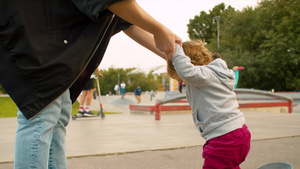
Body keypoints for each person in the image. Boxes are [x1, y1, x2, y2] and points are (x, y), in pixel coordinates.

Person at [0, 1, 182, 168]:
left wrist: (172, 56)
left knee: (58, 116)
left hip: (50, 40)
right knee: (41, 116)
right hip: (35, 33)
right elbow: (116, 3)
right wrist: (158, 29)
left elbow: (127, 19)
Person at [167, 41, 251, 169]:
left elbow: (186, 72)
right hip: (238, 134)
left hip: (225, 140)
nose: (183, 82)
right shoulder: (214, 74)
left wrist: (177, 48)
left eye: (180, 79)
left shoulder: (204, 75)